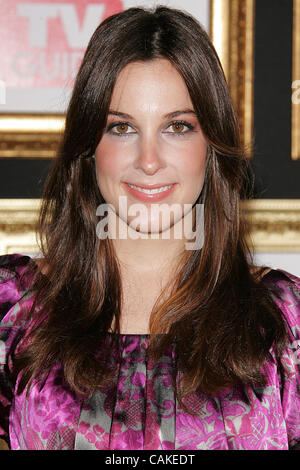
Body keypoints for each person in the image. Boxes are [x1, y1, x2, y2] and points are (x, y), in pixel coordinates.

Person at [0, 5, 299, 451]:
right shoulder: (14, 309)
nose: (149, 160)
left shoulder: (282, 322)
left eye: (178, 126)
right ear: (89, 146)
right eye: (121, 128)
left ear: (210, 144)